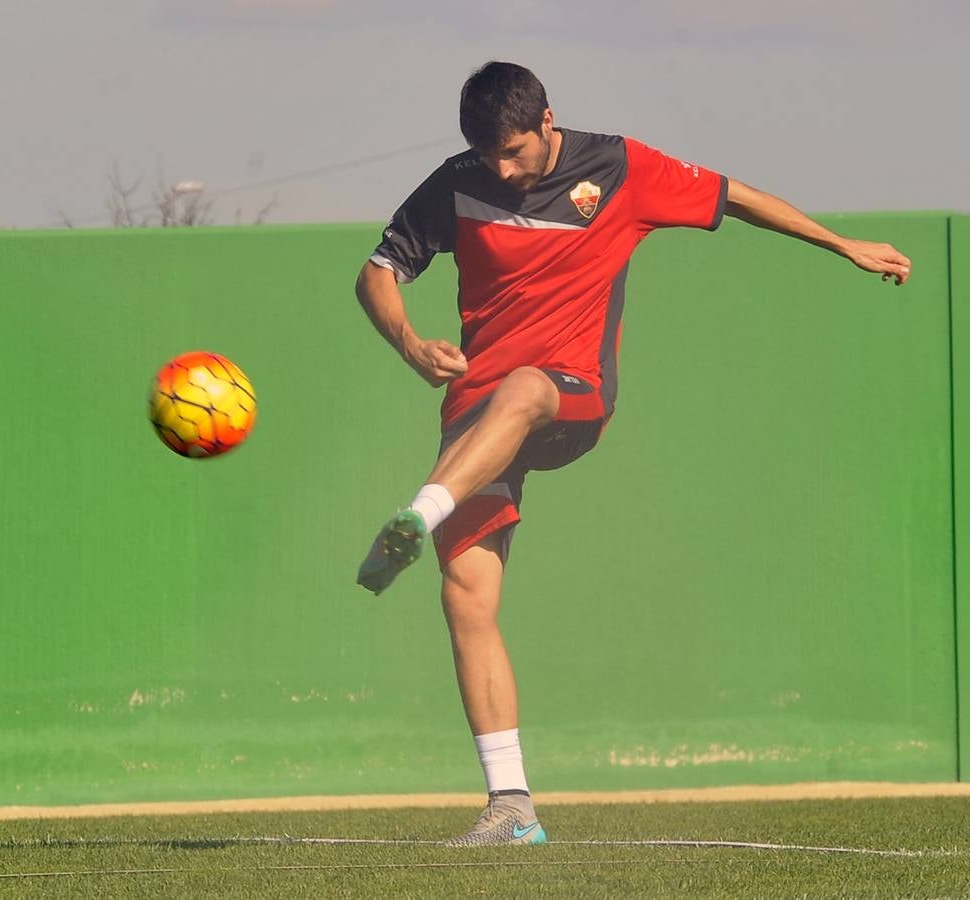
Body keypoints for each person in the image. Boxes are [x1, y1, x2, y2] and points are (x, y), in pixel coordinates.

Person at [354, 61, 912, 847]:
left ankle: (419, 511)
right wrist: (410, 342)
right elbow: (376, 273)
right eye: (488, 157)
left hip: (569, 394)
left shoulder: (617, 168)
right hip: (475, 419)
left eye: (513, 151)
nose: (502, 170)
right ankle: (511, 806)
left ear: (549, 119)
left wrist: (841, 242)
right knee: (467, 596)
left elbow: (736, 196)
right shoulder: (456, 183)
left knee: (521, 389)